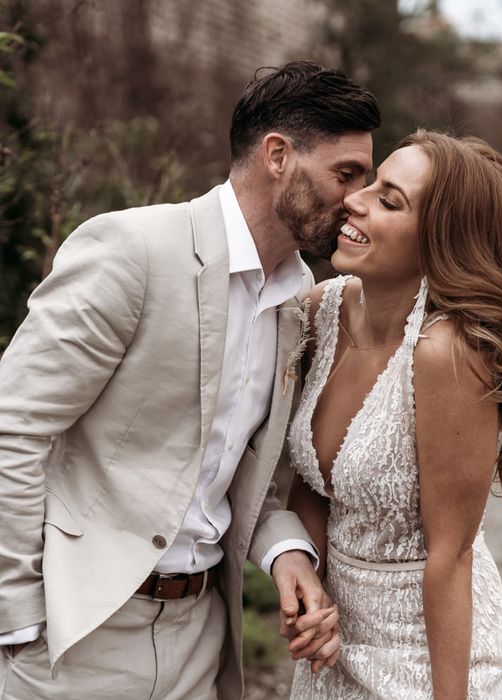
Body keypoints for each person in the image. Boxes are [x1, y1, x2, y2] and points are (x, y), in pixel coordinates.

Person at [0, 60, 379, 699]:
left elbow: (246, 474)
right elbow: (13, 427)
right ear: (278, 155)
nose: (358, 199)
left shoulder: (300, 298)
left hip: (203, 638)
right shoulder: (132, 250)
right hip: (80, 634)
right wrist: (18, 620)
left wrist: (288, 554)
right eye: (347, 174)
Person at [286, 130, 502, 699]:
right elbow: (315, 484)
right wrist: (307, 594)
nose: (354, 201)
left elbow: (451, 556)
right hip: (333, 648)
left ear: (439, 242)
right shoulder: (322, 311)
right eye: (370, 183)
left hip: (431, 658)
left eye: (389, 200)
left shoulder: (444, 354)